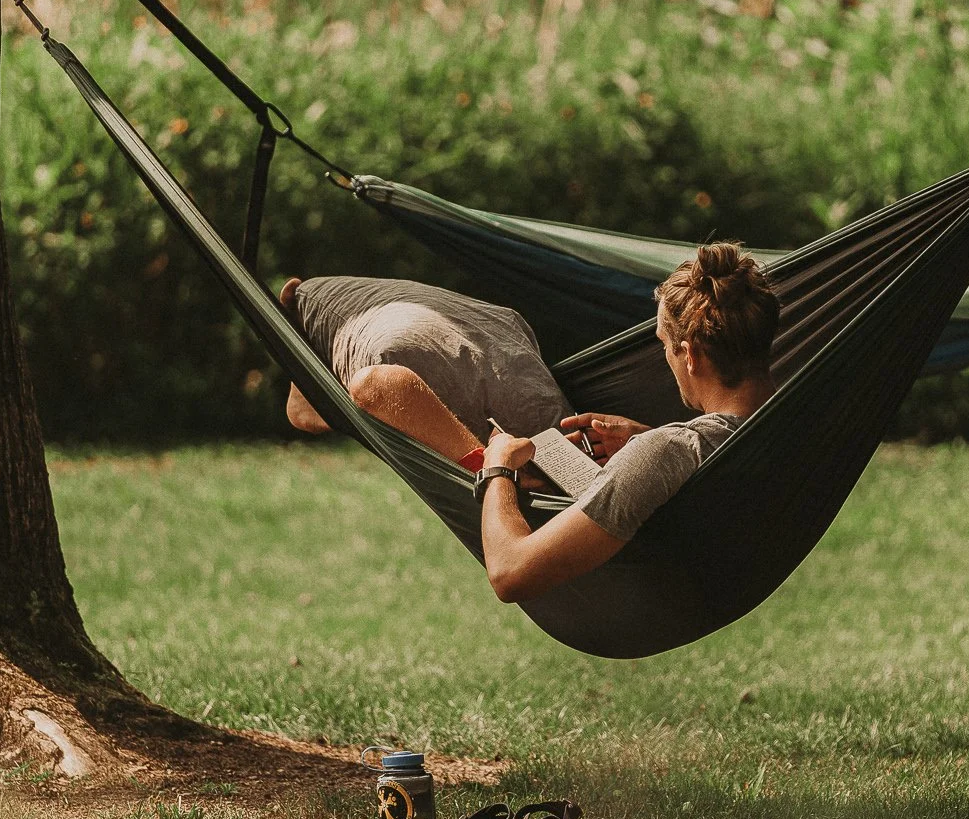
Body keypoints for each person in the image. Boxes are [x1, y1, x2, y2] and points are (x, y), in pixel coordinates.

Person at [477, 243, 779, 603]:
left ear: (692, 355)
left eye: (666, 345)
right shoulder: (791, 422)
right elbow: (721, 458)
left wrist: (498, 466)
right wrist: (646, 441)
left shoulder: (667, 453)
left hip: (679, 601)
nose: (666, 357)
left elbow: (510, 573)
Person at [279, 274, 571, 468]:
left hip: (403, 349)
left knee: (375, 382)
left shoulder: (378, 349)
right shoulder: (346, 299)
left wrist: (489, 470)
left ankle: (492, 471)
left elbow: (372, 385)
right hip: (502, 331)